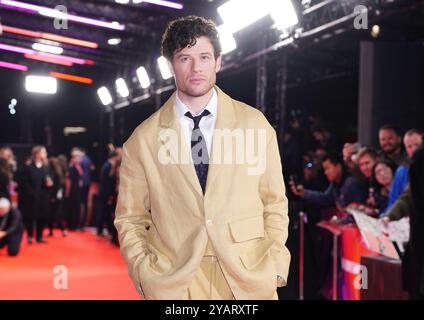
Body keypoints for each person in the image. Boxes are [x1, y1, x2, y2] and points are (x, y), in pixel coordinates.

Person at [114, 15, 290, 300]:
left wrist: (275, 266)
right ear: (171, 65)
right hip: (175, 280)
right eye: (185, 58)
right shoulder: (142, 140)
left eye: (204, 57)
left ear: (218, 62)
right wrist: (144, 274)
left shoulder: (255, 124)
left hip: (247, 277)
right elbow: (130, 218)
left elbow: (275, 203)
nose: (196, 68)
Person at [290, 154, 368, 213]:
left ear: (338, 166)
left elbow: (359, 212)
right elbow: (325, 197)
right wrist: (304, 193)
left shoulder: (351, 183)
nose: (325, 173)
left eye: (327, 168)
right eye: (324, 169)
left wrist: (340, 222)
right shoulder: (335, 183)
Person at [19, 146, 51, 244]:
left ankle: (39, 236)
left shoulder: (46, 168)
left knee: (42, 216)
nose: (46, 154)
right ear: (37, 154)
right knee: (30, 217)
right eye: (44, 152)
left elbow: (47, 181)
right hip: (31, 197)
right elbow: (24, 183)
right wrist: (31, 193)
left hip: (43, 197)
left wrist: (49, 184)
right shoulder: (28, 167)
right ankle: (30, 236)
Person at [386, 129, 423, 210]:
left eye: (417, 145)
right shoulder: (401, 171)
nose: (414, 149)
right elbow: (394, 201)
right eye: (409, 146)